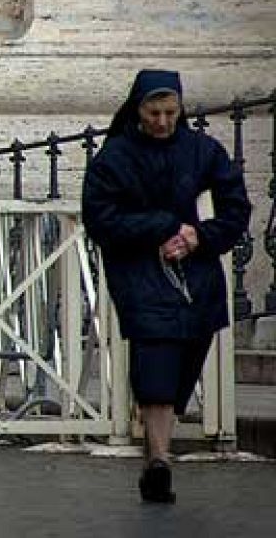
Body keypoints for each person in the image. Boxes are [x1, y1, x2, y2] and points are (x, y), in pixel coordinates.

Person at [82, 69, 250, 503]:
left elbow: (236, 206)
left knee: (184, 363)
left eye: (170, 112)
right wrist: (161, 226)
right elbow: (100, 217)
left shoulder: (201, 150)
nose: (162, 121)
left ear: (180, 109)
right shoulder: (114, 157)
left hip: (195, 272)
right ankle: (160, 460)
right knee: (156, 360)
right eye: (153, 112)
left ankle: (156, 453)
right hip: (139, 271)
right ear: (137, 110)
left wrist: (200, 235)